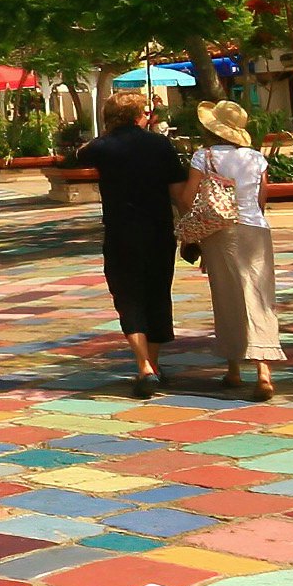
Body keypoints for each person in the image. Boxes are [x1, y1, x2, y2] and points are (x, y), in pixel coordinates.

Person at [83, 90, 189, 394]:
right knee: (157, 293)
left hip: (121, 232)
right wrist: (191, 230)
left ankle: (143, 366)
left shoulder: (102, 146)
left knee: (127, 297)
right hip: (158, 231)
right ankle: (153, 365)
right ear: (139, 115)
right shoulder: (160, 144)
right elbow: (179, 191)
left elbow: (69, 159)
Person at [188, 99, 282, 398]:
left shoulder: (203, 157)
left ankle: (234, 368)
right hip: (256, 229)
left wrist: (192, 235)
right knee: (260, 296)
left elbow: (191, 197)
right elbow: (262, 197)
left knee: (227, 296)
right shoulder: (256, 158)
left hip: (220, 232)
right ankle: (264, 370)